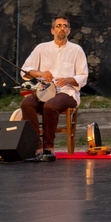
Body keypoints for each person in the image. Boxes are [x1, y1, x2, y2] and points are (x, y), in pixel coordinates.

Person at [20, 16, 88, 162]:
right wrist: (39, 73)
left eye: (64, 26)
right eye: (58, 26)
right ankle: (36, 146)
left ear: (69, 30)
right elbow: (25, 70)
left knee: (50, 106)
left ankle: (48, 147)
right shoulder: (41, 48)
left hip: (67, 92)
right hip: (44, 90)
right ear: (52, 30)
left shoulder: (76, 50)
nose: (61, 28)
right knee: (26, 104)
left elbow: (83, 76)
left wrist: (69, 79)